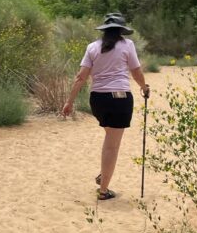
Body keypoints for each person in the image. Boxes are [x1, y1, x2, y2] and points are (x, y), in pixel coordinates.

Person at [62, 13, 150, 200]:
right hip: (120, 99)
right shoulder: (127, 45)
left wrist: (69, 102)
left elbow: (81, 77)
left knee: (110, 138)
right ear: (120, 30)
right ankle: (104, 191)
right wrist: (144, 87)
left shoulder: (92, 47)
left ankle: (105, 173)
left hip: (98, 101)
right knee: (112, 145)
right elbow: (136, 72)